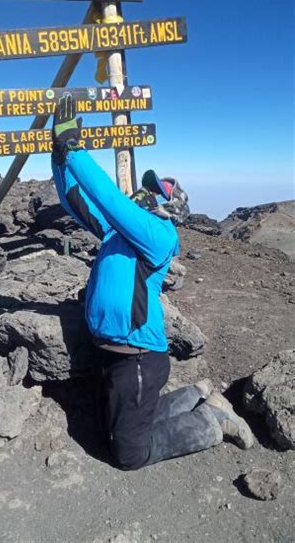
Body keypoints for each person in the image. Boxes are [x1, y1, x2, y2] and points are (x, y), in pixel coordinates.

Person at [51, 93, 253, 470]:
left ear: (171, 208)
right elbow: (75, 202)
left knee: (128, 455)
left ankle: (212, 422)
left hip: (139, 359)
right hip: (113, 355)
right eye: (145, 189)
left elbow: (110, 199)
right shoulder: (117, 231)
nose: (144, 194)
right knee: (113, 430)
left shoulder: (158, 235)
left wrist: (74, 150)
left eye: (154, 192)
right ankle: (200, 393)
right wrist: (59, 158)